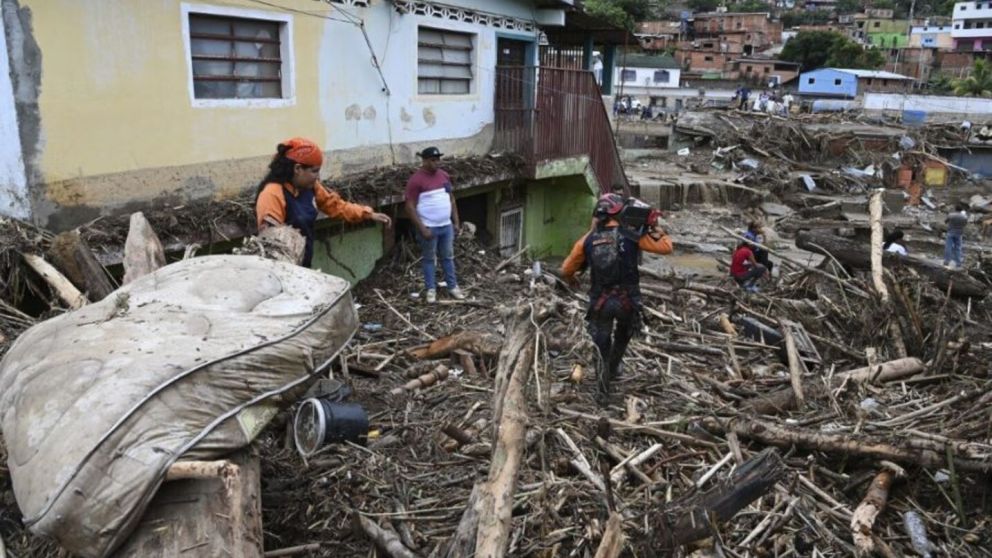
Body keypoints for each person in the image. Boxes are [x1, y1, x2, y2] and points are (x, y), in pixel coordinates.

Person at [561, 194, 673, 402]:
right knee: (622, 336)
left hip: (600, 303)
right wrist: (657, 230)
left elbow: (566, 268)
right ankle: (613, 369)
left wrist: (571, 279)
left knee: (601, 343)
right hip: (627, 301)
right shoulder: (632, 235)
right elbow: (666, 247)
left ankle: (602, 392)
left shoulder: (587, 240)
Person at [255, 137, 392, 268]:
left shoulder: (311, 187)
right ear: (297, 169)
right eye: (314, 171)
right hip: (285, 271)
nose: (318, 177)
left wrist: (367, 214)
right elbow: (271, 245)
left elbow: (336, 206)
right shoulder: (272, 194)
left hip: (304, 265)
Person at [405, 146, 465, 303]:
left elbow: (451, 199)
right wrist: (422, 228)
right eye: (432, 160)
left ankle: (452, 287)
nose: (436, 163)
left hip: (446, 226)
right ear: (424, 161)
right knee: (429, 259)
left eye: (437, 159)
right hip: (429, 227)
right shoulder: (416, 180)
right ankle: (431, 289)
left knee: (448, 257)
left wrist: (456, 222)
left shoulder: (444, 176)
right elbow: (410, 206)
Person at [944, 202, 968, 269]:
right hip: (959, 233)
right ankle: (958, 263)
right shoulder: (964, 217)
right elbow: (965, 224)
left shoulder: (951, 215)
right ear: (961, 210)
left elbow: (945, 221)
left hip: (951, 232)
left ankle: (946, 261)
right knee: (958, 248)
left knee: (948, 247)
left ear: (955, 209)